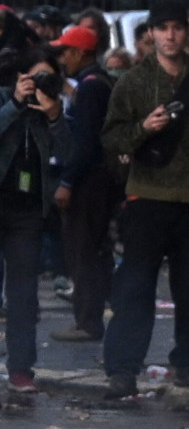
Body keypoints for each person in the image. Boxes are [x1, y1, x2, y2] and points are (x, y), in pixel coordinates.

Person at [99, 7, 189, 398]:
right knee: (135, 287)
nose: (171, 36)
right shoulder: (134, 82)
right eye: (163, 29)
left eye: (177, 28)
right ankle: (122, 369)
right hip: (148, 198)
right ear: (151, 34)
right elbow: (111, 138)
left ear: (187, 33)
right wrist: (144, 128)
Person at [46, 24, 115, 348]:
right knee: (89, 251)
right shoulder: (94, 83)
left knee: (82, 252)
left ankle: (86, 321)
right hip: (96, 182)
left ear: (80, 52)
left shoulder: (91, 87)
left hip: (88, 184)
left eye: (65, 51)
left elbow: (85, 144)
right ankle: (89, 316)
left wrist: (68, 182)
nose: (62, 58)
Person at [1, 41, 64, 392]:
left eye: (49, 78)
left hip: (27, 212)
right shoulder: (3, 97)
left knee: (24, 294)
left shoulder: (49, 108)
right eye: (36, 77)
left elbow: (69, 151)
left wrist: (54, 116)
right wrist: (14, 103)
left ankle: (21, 367)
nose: (41, 84)